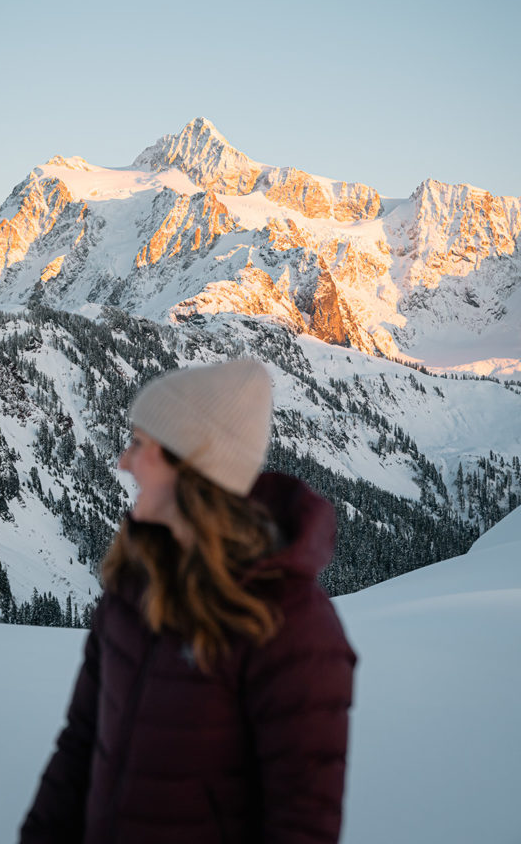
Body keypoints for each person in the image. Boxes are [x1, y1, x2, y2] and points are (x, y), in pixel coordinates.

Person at [19, 357, 356, 844]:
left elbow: (302, 824)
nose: (123, 462)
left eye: (139, 445)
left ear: (190, 464)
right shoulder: (135, 584)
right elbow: (81, 743)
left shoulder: (290, 623)